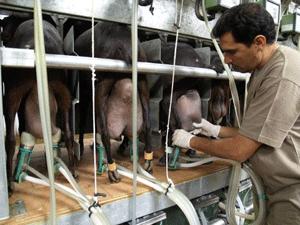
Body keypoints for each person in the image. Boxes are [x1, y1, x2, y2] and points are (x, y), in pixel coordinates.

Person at [172, 3, 300, 225]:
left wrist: (192, 141)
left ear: (259, 42)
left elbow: (241, 150)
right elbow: (256, 131)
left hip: (293, 194)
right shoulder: (265, 68)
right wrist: (216, 130)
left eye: (232, 52)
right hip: (276, 187)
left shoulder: (281, 76)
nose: (227, 60)